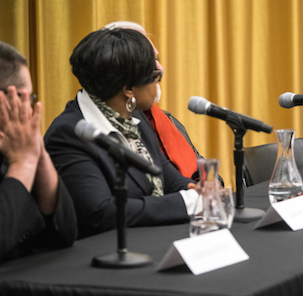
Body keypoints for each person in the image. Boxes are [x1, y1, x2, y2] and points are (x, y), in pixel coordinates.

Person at [44, 28, 200, 239]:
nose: (158, 82)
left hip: (152, 238)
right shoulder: (69, 134)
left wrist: (194, 190)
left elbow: (163, 172)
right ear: (128, 89)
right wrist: (185, 202)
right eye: (154, 77)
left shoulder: (133, 116)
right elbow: (101, 212)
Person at [0, 41, 77, 262]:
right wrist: (23, 163)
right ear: (11, 98)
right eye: (29, 99)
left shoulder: (13, 145)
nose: (30, 108)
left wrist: (37, 151)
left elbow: (65, 234)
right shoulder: (18, 155)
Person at [103, 21, 203, 181]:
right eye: (149, 61)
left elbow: (198, 163)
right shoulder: (114, 128)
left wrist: (212, 182)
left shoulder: (165, 119)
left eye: (157, 58)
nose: (160, 68)